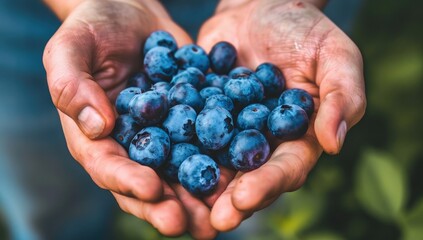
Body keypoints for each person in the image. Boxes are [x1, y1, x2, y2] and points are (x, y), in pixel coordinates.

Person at [1, 0, 365, 239]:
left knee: (250, 205)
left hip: (263, 12)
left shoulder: (215, 102)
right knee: (52, 211)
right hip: (32, 26)